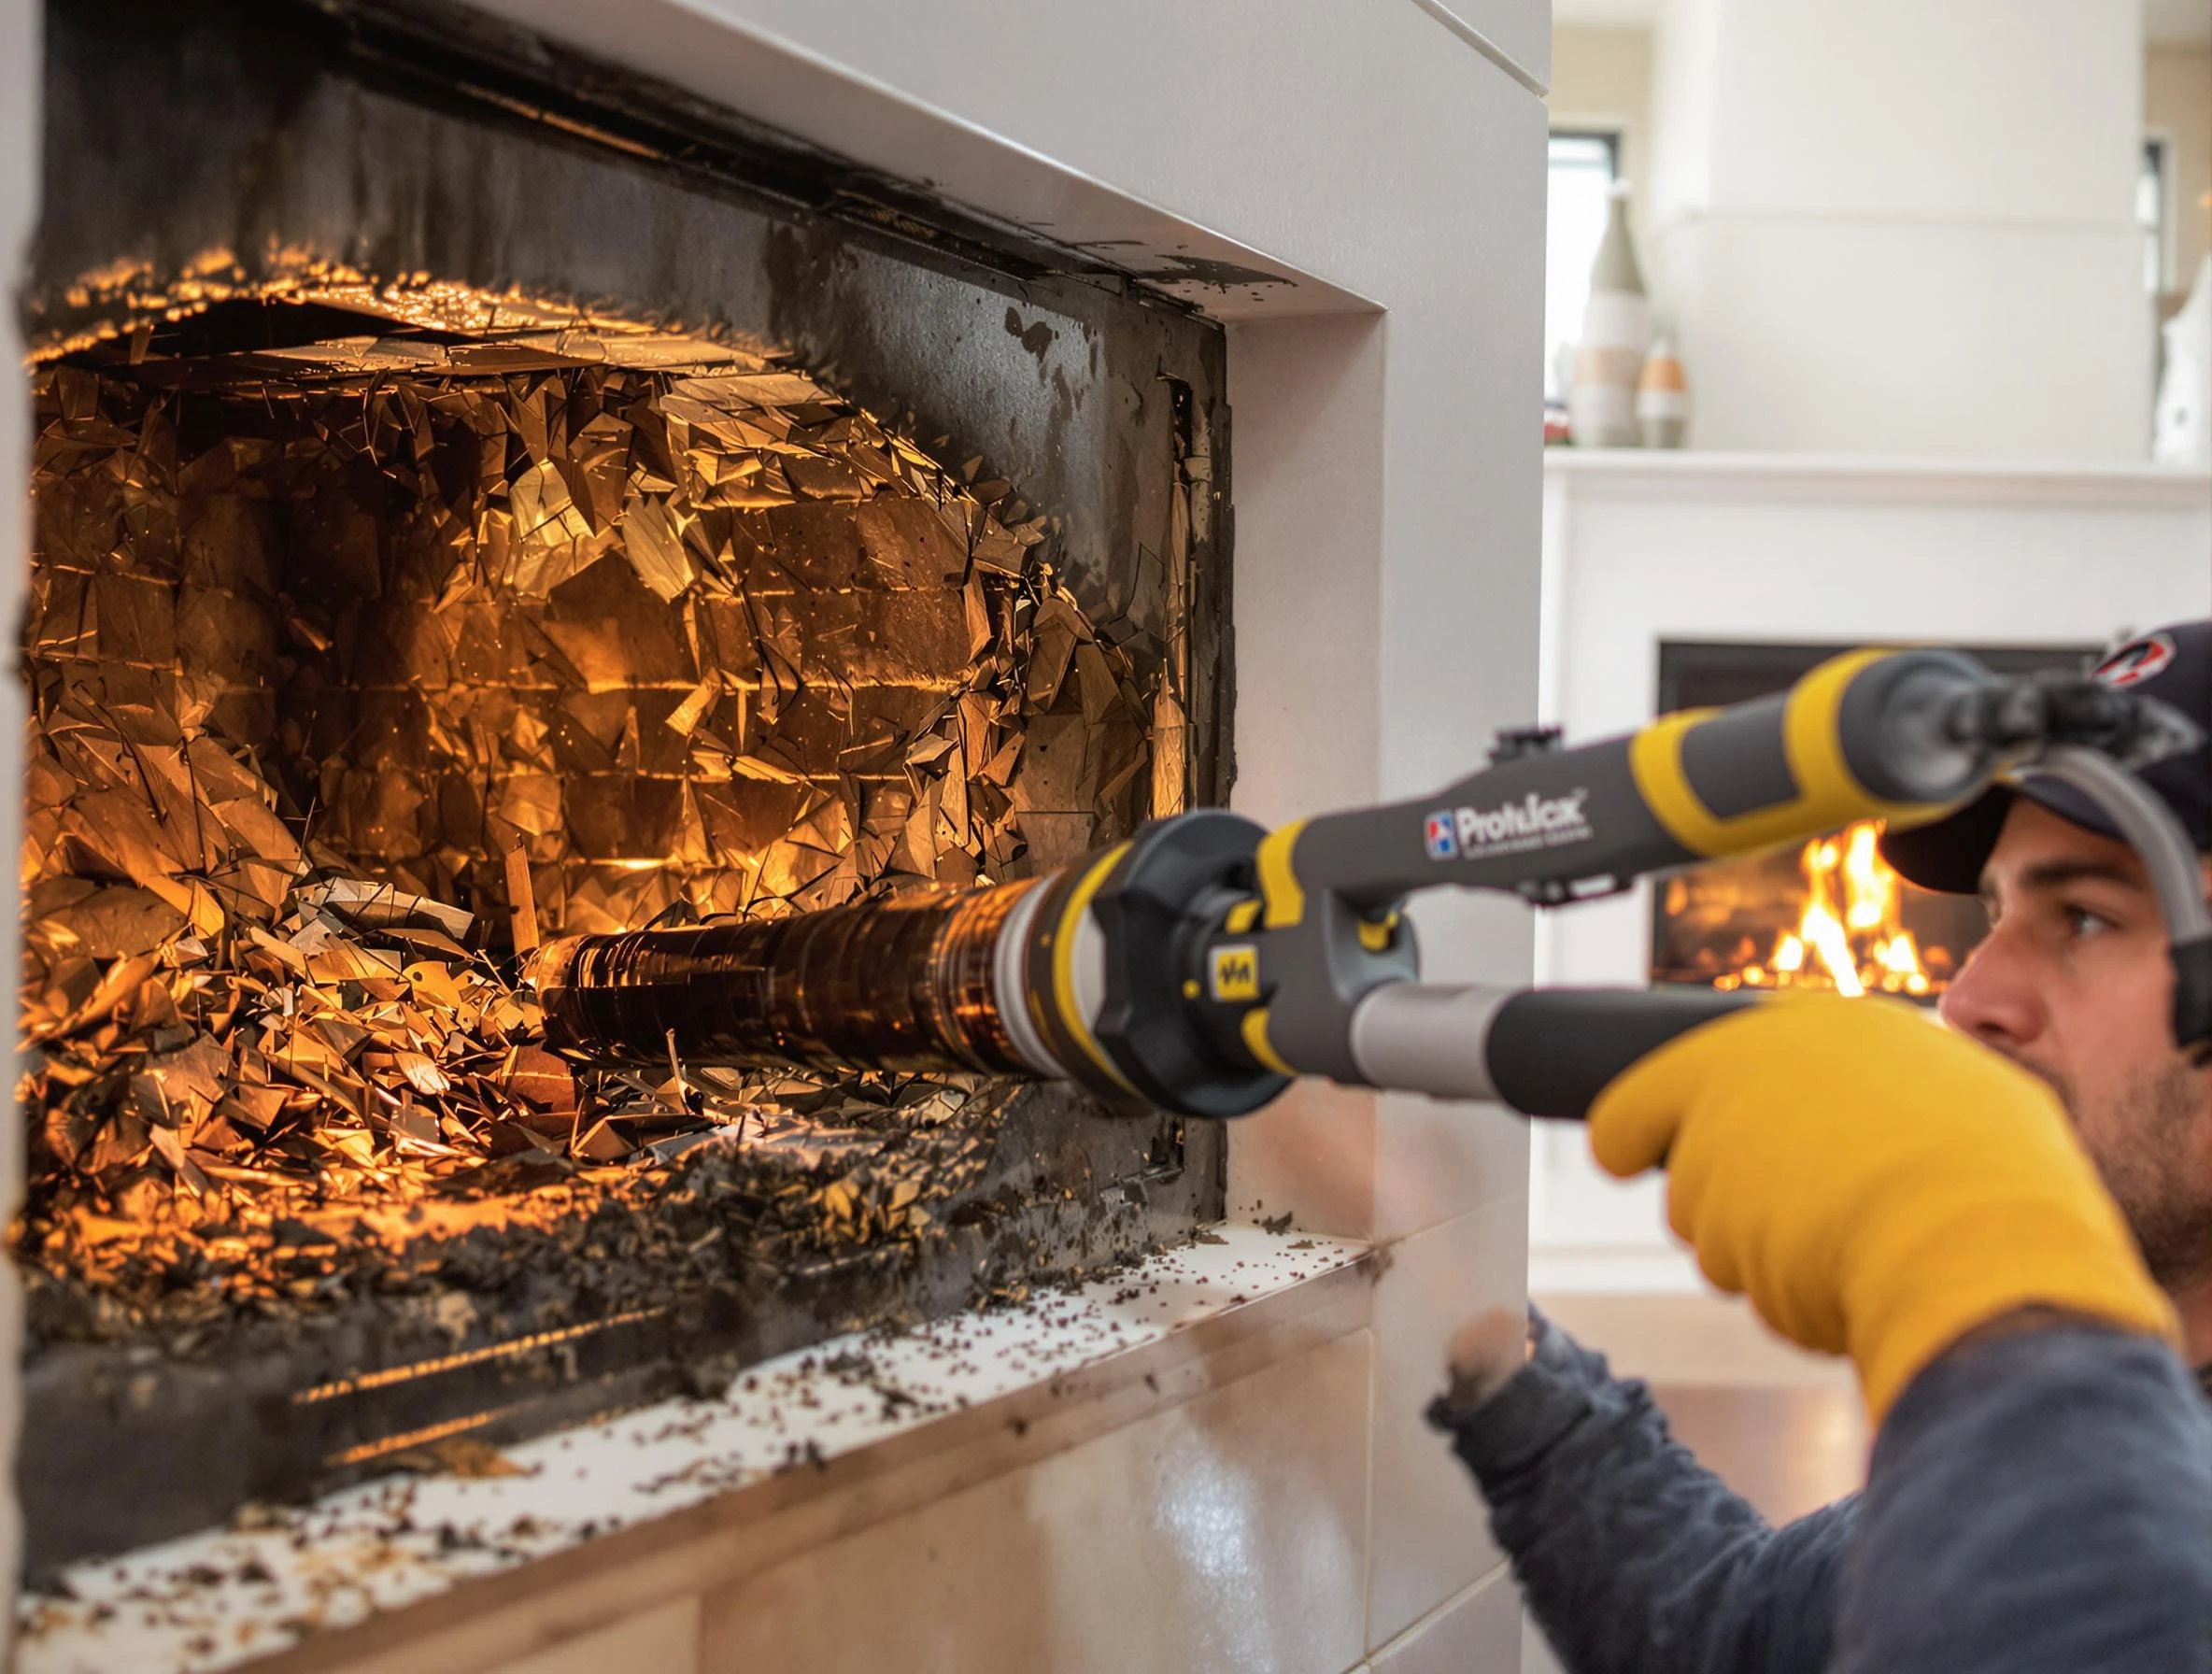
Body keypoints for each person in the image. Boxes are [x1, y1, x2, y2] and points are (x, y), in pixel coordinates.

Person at [1429, 621, 2212, 1674]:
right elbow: (1728, 1629)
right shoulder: (2095, 1442)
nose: (1966, 995)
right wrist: (1480, 1332)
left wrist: (1979, 1266)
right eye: (1993, 913)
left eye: (2083, 918)